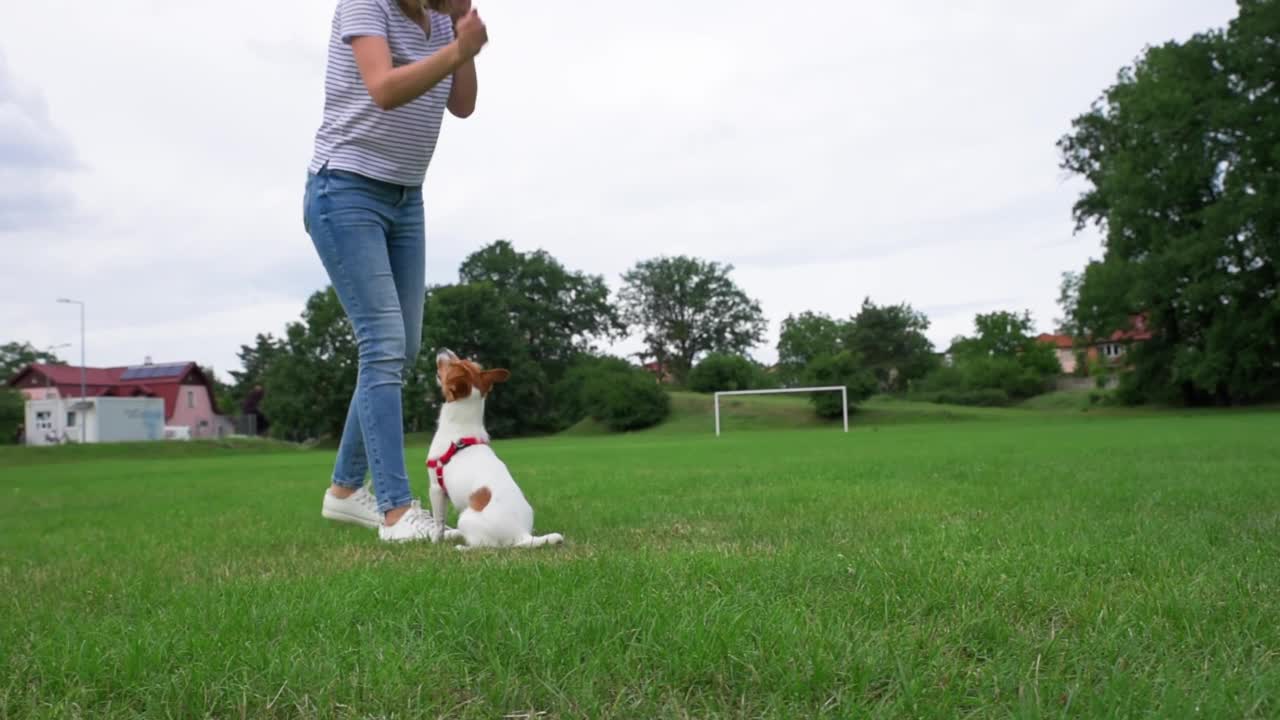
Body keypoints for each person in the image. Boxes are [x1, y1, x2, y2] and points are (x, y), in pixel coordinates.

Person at [305, 0, 488, 542]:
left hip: (406, 200)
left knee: (401, 349)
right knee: (382, 342)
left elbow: (463, 104)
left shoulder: (436, 23)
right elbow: (382, 88)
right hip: (345, 191)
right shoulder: (365, 5)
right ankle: (394, 509)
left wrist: (459, 35)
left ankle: (343, 490)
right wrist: (458, 48)